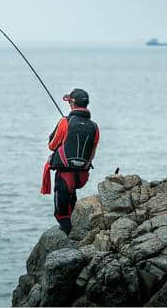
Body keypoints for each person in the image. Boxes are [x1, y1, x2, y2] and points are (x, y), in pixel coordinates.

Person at [41, 88, 100, 235]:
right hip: (83, 176)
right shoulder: (94, 127)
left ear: (73, 103)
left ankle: (68, 233)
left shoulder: (65, 122)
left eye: (69, 102)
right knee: (71, 197)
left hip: (66, 173)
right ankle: (76, 226)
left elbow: (52, 145)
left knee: (61, 212)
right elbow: (92, 152)